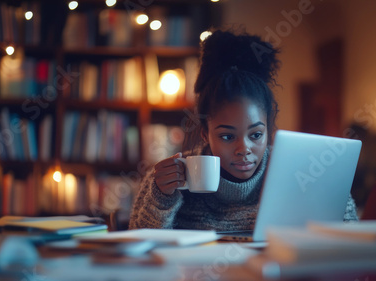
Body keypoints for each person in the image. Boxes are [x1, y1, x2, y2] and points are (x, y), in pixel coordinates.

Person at [129, 30, 358, 231]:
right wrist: (162, 199)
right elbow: (138, 247)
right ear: (204, 134)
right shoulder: (169, 180)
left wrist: (329, 193)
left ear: (268, 129)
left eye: (256, 135)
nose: (244, 149)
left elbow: (351, 240)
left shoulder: (304, 172)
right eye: (227, 136)